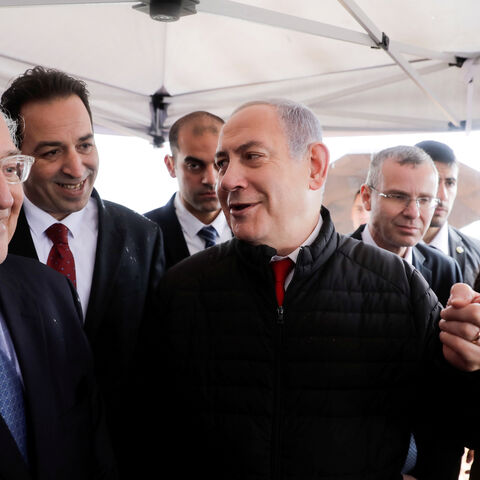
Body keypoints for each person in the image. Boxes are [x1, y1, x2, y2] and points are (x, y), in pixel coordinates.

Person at [146, 99, 480, 480]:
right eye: (224, 163)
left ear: (315, 165)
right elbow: (153, 433)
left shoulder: (398, 288)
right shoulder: (182, 289)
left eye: (252, 157)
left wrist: (472, 364)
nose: (225, 180)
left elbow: (457, 424)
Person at [1, 66, 165, 477]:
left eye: (86, 145)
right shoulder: (4, 238)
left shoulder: (142, 236)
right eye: (52, 152)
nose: (77, 168)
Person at [0, 108, 116, 478]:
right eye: (51, 152)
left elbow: (89, 442)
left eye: (8, 169)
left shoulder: (49, 291)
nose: (6, 199)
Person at [351, 145, 462, 307]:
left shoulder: (444, 270)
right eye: (398, 196)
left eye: (424, 200)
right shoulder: (326, 263)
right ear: (367, 198)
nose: (413, 213)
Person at [145, 111, 232, 269]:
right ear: (171, 166)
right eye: (194, 166)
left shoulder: (254, 230)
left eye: (220, 163)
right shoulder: (142, 234)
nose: (211, 180)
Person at [416, 140, 480, 287]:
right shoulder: (380, 248)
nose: (442, 195)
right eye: (434, 181)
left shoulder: (477, 254)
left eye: (450, 183)